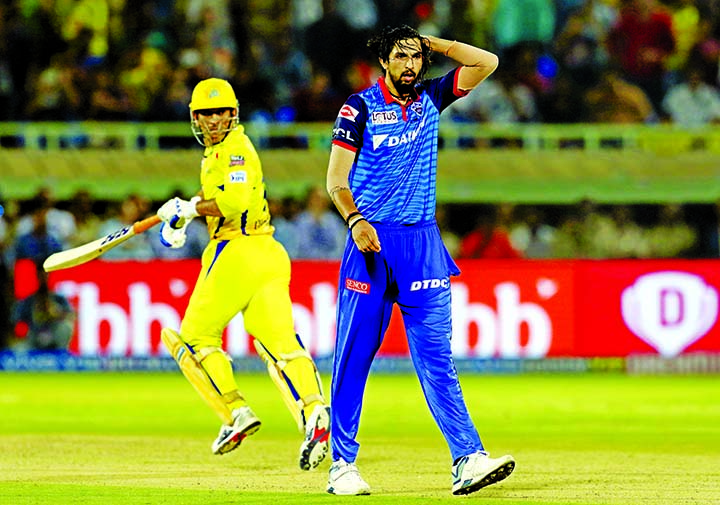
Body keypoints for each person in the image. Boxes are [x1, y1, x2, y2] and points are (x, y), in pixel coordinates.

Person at [324, 25, 515, 496]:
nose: (409, 65)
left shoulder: (432, 97)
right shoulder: (359, 107)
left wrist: (436, 45)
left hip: (423, 249)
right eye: (400, 56)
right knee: (353, 358)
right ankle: (341, 465)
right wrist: (355, 221)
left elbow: (486, 61)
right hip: (369, 244)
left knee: (437, 359)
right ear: (384, 61)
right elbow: (335, 180)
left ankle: (468, 458)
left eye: (415, 57)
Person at [155, 78, 330, 471]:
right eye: (206, 114)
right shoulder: (219, 152)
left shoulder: (234, 150)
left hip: (237, 252)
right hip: (268, 253)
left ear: (233, 114)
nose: (214, 121)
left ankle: (235, 412)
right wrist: (186, 216)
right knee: (280, 345)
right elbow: (226, 200)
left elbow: (233, 202)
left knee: (192, 338)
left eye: (220, 113)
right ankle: (315, 414)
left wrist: (189, 209)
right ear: (195, 118)